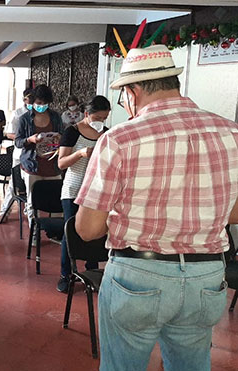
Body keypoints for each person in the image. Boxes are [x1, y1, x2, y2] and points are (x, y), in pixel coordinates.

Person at [75, 45, 238, 370]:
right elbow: (235, 214)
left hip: (138, 275)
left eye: (123, 96)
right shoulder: (231, 132)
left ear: (133, 91)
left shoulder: (120, 139)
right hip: (206, 277)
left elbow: (88, 228)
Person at [55, 95, 110, 293]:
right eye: (98, 118)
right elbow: (61, 163)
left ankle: (91, 270)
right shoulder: (72, 131)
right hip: (73, 189)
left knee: (95, 231)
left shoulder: (106, 134)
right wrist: (79, 154)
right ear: (86, 114)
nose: (101, 123)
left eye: (104, 119)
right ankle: (66, 274)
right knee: (71, 232)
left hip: (95, 191)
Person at [15, 84, 64, 222]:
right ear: (33, 102)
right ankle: (33, 229)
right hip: (32, 164)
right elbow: (18, 142)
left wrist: (59, 138)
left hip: (52, 164)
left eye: (45, 103)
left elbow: (62, 135)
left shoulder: (55, 117)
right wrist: (30, 139)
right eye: (38, 103)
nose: (41, 106)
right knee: (32, 201)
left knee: (56, 200)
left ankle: (55, 230)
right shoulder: (25, 119)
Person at [0, 89, 32, 221]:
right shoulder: (18, 114)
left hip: (33, 156)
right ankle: (5, 210)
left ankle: (30, 215)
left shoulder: (40, 114)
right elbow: (8, 133)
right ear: (24, 100)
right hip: (19, 154)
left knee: (31, 187)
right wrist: (24, 139)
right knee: (14, 183)